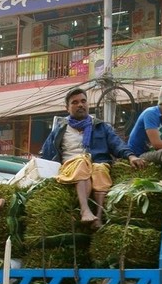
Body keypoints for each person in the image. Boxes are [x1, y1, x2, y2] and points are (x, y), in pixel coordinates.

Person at [40, 87, 144, 226]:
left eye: (83, 101)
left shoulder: (100, 126)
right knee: (81, 160)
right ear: (67, 108)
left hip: (97, 164)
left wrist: (131, 156)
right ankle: (85, 210)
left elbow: (117, 144)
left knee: (100, 169)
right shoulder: (60, 129)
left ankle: (99, 217)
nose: (80, 105)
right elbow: (46, 153)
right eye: (75, 102)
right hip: (70, 166)